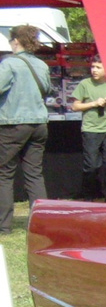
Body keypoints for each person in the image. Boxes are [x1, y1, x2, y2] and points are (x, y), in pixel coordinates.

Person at [0, 24, 50, 234]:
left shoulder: (9, 63)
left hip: (13, 123)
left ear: (16, 41)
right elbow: (47, 89)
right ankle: (42, 224)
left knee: (3, 174)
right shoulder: (41, 65)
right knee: (34, 174)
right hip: (39, 123)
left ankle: (4, 226)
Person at [70, 56, 106, 202]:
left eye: (98, 67)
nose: (94, 70)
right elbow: (75, 106)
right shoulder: (85, 84)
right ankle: (89, 197)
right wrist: (93, 104)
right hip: (90, 129)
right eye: (92, 67)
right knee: (91, 165)